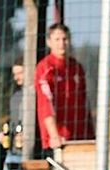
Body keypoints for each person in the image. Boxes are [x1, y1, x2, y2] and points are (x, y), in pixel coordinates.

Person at [35, 23, 94, 152]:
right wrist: (54, 135)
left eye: (65, 39)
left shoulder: (77, 68)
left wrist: (90, 133)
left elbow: (84, 102)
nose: (62, 43)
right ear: (49, 42)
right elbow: (46, 104)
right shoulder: (45, 68)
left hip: (81, 137)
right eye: (57, 39)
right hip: (58, 141)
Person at [1, 54, 27, 170]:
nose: (16, 77)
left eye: (20, 73)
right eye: (14, 74)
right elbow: (13, 121)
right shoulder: (15, 96)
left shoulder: (35, 94)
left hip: (30, 150)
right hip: (14, 149)